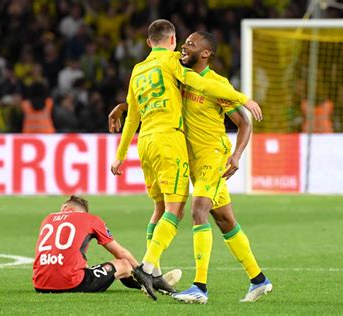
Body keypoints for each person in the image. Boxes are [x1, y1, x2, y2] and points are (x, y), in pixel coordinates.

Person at [109, 31, 271, 304]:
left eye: (191, 45)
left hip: (213, 155)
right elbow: (154, 99)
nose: (184, 47)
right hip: (190, 159)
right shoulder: (177, 76)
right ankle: (259, 280)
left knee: (198, 211)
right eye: (183, 43)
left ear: (206, 53)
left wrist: (237, 155)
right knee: (225, 220)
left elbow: (244, 123)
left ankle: (200, 287)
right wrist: (124, 107)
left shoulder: (217, 84)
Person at [32, 195, 181, 294]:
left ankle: (146, 284)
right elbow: (121, 254)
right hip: (71, 283)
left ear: (65, 208)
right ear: (83, 212)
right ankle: (148, 283)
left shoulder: (48, 219)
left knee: (80, 262)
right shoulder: (90, 219)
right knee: (124, 264)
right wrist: (144, 273)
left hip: (40, 284)